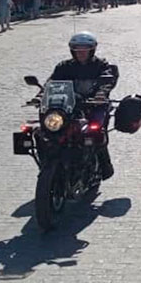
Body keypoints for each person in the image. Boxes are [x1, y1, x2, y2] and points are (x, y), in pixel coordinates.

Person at [49, 32, 118, 180]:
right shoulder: (64, 66)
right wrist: (40, 96)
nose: (80, 53)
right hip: (70, 105)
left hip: (94, 105)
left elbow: (108, 81)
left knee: (96, 131)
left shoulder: (102, 65)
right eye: (77, 50)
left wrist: (101, 94)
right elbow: (52, 83)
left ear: (91, 50)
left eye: (84, 49)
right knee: (48, 129)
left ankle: (105, 165)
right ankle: (50, 160)